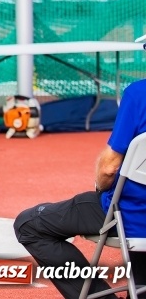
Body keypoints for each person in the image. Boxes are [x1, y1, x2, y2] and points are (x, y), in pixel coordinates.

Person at [14, 79, 146, 298]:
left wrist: (100, 188)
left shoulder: (139, 93)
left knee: (28, 225)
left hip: (130, 216)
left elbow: (109, 168)